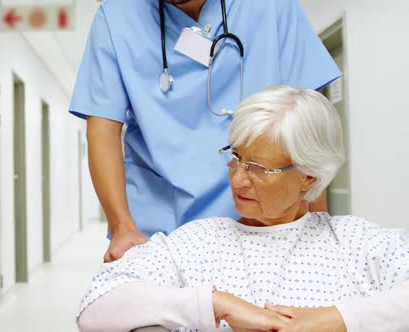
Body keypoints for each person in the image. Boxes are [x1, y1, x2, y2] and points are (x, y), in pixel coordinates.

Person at [76, 86, 409, 331]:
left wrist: (338, 319)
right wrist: (213, 305)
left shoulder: (356, 242)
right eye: (235, 158)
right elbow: (95, 308)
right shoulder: (198, 243)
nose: (238, 179)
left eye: (260, 169)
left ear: (308, 176)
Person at [70, 0, 341, 262]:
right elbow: (102, 131)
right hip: (160, 232)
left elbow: (307, 126)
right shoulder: (116, 17)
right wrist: (121, 226)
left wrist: (315, 230)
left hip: (265, 222)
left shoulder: (272, 6)